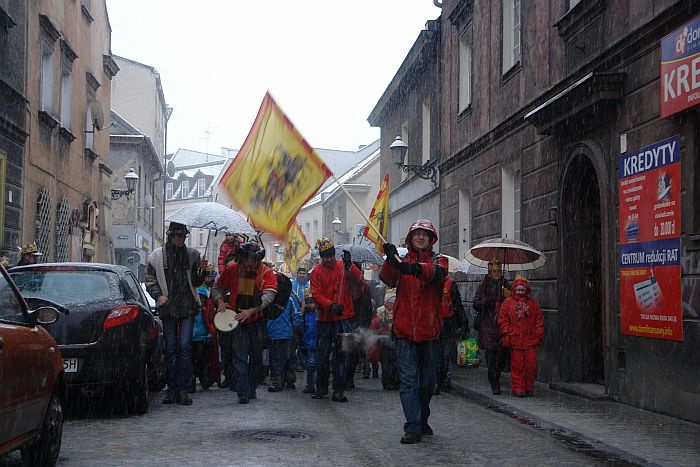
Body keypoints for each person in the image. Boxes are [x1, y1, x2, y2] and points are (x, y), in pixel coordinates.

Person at [381, 219, 448, 445]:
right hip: (404, 331)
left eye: (425, 234)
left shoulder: (439, 260)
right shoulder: (401, 261)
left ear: (431, 239)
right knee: (409, 381)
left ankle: (422, 416)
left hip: (430, 332)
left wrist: (415, 269)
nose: (421, 237)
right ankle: (413, 426)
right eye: (417, 234)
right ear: (410, 238)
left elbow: (438, 275)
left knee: (428, 382)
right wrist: (391, 259)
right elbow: (388, 278)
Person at [145, 222, 208, 405]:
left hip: (187, 307)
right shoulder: (156, 256)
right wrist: (159, 296)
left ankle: (183, 389)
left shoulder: (192, 254)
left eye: (183, 236)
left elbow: (195, 282)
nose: (181, 239)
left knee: (185, 347)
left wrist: (202, 270)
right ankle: (172, 389)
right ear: (170, 235)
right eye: (178, 236)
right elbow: (150, 279)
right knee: (171, 349)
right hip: (169, 308)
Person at [211, 242, 277, 404]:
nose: (248, 263)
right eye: (246, 259)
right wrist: (220, 302)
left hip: (257, 321)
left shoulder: (266, 273)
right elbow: (217, 288)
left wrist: (251, 311)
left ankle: (251, 387)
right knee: (239, 357)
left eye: (251, 260)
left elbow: (269, 296)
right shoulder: (232, 270)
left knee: (256, 357)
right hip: (237, 321)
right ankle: (242, 391)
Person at [309, 237, 363, 403]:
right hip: (325, 319)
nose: (329, 258)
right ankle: (322, 387)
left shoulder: (342, 266)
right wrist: (330, 305)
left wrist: (350, 266)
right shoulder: (316, 272)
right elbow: (316, 295)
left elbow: (359, 279)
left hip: (343, 318)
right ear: (321, 256)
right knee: (322, 356)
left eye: (331, 254)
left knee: (342, 355)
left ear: (334, 253)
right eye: (325, 256)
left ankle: (339, 390)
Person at [498, 274, 544, 397]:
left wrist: (539, 334)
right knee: (518, 366)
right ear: (514, 290)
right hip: (515, 340)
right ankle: (518, 388)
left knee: (531, 365)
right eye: (518, 289)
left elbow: (539, 320)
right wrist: (507, 332)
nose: (520, 292)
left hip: (530, 340)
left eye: (522, 290)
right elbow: (503, 320)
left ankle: (529, 387)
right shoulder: (507, 303)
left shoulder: (533, 304)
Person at [473, 259, 511, 395]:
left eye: (498, 271)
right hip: (488, 326)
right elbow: (476, 303)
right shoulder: (484, 286)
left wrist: (508, 296)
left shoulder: (505, 284)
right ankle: (494, 383)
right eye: (494, 271)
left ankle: (497, 376)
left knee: (502, 356)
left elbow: (513, 301)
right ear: (489, 273)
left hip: (502, 324)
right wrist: (487, 300)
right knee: (491, 356)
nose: (496, 274)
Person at [437, 273, 468, 393]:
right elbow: (458, 304)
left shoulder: (449, 284)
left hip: (445, 323)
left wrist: (462, 322)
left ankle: (443, 380)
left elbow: (457, 304)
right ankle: (443, 380)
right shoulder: (449, 283)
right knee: (444, 354)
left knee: (445, 353)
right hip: (440, 323)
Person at [266, 289, 301, 392]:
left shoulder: (270, 297)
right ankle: (287, 380)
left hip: (281, 333)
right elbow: (296, 314)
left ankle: (279, 382)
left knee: (277, 358)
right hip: (280, 333)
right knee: (286, 357)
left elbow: (296, 315)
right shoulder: (289, 298)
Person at [190, 286, 213, 392]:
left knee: (203, 361)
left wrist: (209, 334)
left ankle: (204, 380)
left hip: (203, 339)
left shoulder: (206, 309)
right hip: (192, 339)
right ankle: (192, 381)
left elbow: (210, 322)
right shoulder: (191, 310)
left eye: (202, 297)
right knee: (192, 362)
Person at [299, 286, 318, 393]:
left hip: (317, 343)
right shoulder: (304, 315)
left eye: (312, 302)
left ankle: (312, 385)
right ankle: (310, 384)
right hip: (307, 343)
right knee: (309, 366)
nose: (310, 304)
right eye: (308, 302)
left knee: (313, 365)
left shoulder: (319, 314)